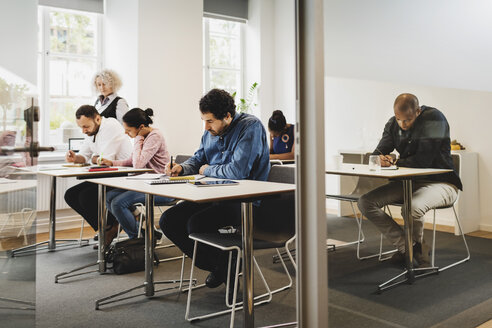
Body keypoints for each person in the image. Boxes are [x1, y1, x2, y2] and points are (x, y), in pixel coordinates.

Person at [159, 88, 270, 289]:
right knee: (169, 220)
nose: (206, 126)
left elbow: (238, 171)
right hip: (214, 197)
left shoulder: (250, 127)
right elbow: (198, 158)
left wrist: (207, 169)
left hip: (245, 202)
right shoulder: (209, 132)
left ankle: (224, 269)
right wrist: (182, 168)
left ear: (227, 116)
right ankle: (222, 265)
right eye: (203, 120)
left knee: (196, 224)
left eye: (210, 121)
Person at [357, 93, 462, 267]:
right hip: (409, 183)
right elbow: (376, 154)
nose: (403, 125)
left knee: (412, 208)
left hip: (442, 183)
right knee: (365, 202)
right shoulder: (393, 124)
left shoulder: (434, 118)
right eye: (399, 119)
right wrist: (379, 159)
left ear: (418, 111)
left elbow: (423, 160)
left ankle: (410, 251)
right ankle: (410, 248)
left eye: (408, 120)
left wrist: (394, 161)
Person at [64, 105, 133, 248]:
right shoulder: (91, 132)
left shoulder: (111, 126)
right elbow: (85, 156)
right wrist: (75, 158)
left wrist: (95, 158)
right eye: (81, 127)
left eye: (86, 127)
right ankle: (109, 226)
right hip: (105, 175)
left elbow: (104, 159)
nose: (84, 131)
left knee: (85, 196)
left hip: (122, 174)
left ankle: (111, 227)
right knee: (70, 195)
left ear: (97, 118)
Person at [100, 108, 174, 239]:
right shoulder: (142, 136)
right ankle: (140, 231)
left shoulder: (154, 136)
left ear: (140, 127)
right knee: (109, 196)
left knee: (118, 203)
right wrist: (111, 163)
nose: (126, 133)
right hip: (146, 184)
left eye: (128, 130)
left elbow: (138, 164)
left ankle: (137, 239)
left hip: (161, 187)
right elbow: (132, 161)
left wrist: (138, 138)